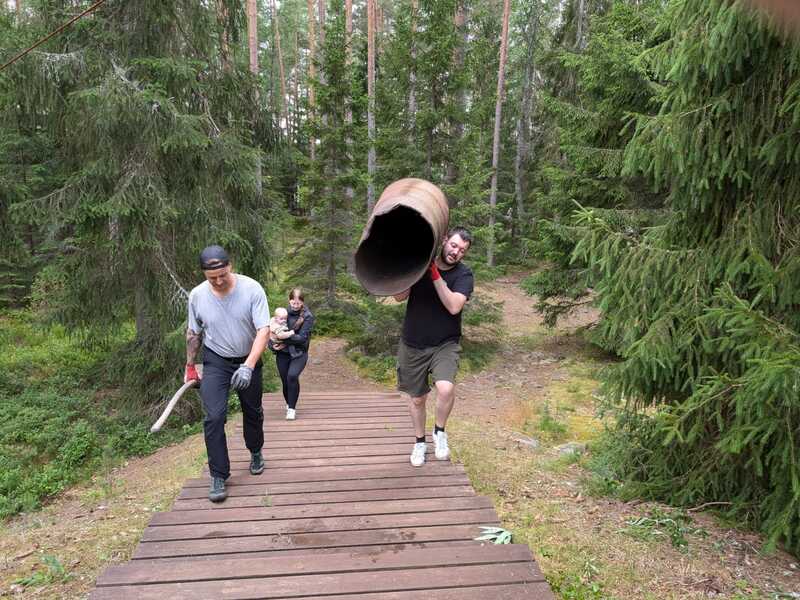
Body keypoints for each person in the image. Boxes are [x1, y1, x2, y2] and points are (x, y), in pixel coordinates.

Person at [184, 245, 270, 503]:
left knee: (252, 411)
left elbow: (263, 331)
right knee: (214, 416)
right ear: (203, 274)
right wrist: (190, 366)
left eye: (223, 274)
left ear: (230, 266)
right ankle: (218, 475)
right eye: (212, 278)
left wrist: (249, 365)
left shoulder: (251, 289)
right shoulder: (197, 296)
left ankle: (255, 451)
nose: (219, 281)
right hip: (216, 360)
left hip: (248, 357)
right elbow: (193, 334)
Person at [393, 227, 474, 467]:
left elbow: (453, 306)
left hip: (445, 344)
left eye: (462, 250)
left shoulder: (463, 275)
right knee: (417, 399)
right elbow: (399, 296)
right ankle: (420, 442)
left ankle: (440, 432)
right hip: (413, 343)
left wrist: (435, 273)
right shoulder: (422, 264)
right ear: (445, 240)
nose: (456, 252)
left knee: (446, 388)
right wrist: (411, 269)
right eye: (454, 245)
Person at [270, 287, 314, 420]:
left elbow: (302, 338)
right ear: (289, 301)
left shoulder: (307, 316)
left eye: (298, 303)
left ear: (302, 302)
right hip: (283, 353)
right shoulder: (282, 313)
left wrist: (285, 340)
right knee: (285, 380)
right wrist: (273, 345)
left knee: (292, 376)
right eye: (293, 302)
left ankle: (292, 409)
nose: (295, 305)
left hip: (299, 352)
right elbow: (272, 331)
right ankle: (289, 402)